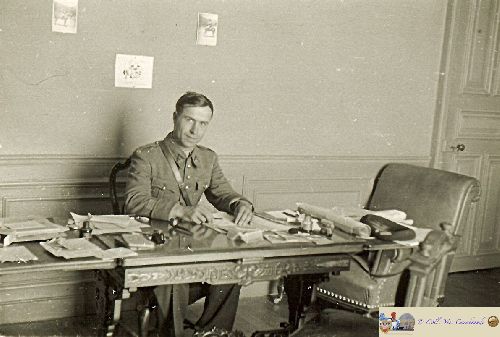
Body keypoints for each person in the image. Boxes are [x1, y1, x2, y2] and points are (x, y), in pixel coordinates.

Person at [124, 91, 253, 336]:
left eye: (203, 123)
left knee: (231, 268)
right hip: (158, 251)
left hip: (194, 247)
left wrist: (240, 204)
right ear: (175, 118)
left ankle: (213, 333)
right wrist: (180, 210)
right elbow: (133, 201)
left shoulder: (208, 157)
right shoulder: (147, 155)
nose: (195, 130)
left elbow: (223, 192)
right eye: (189, 120)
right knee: (175, 273)